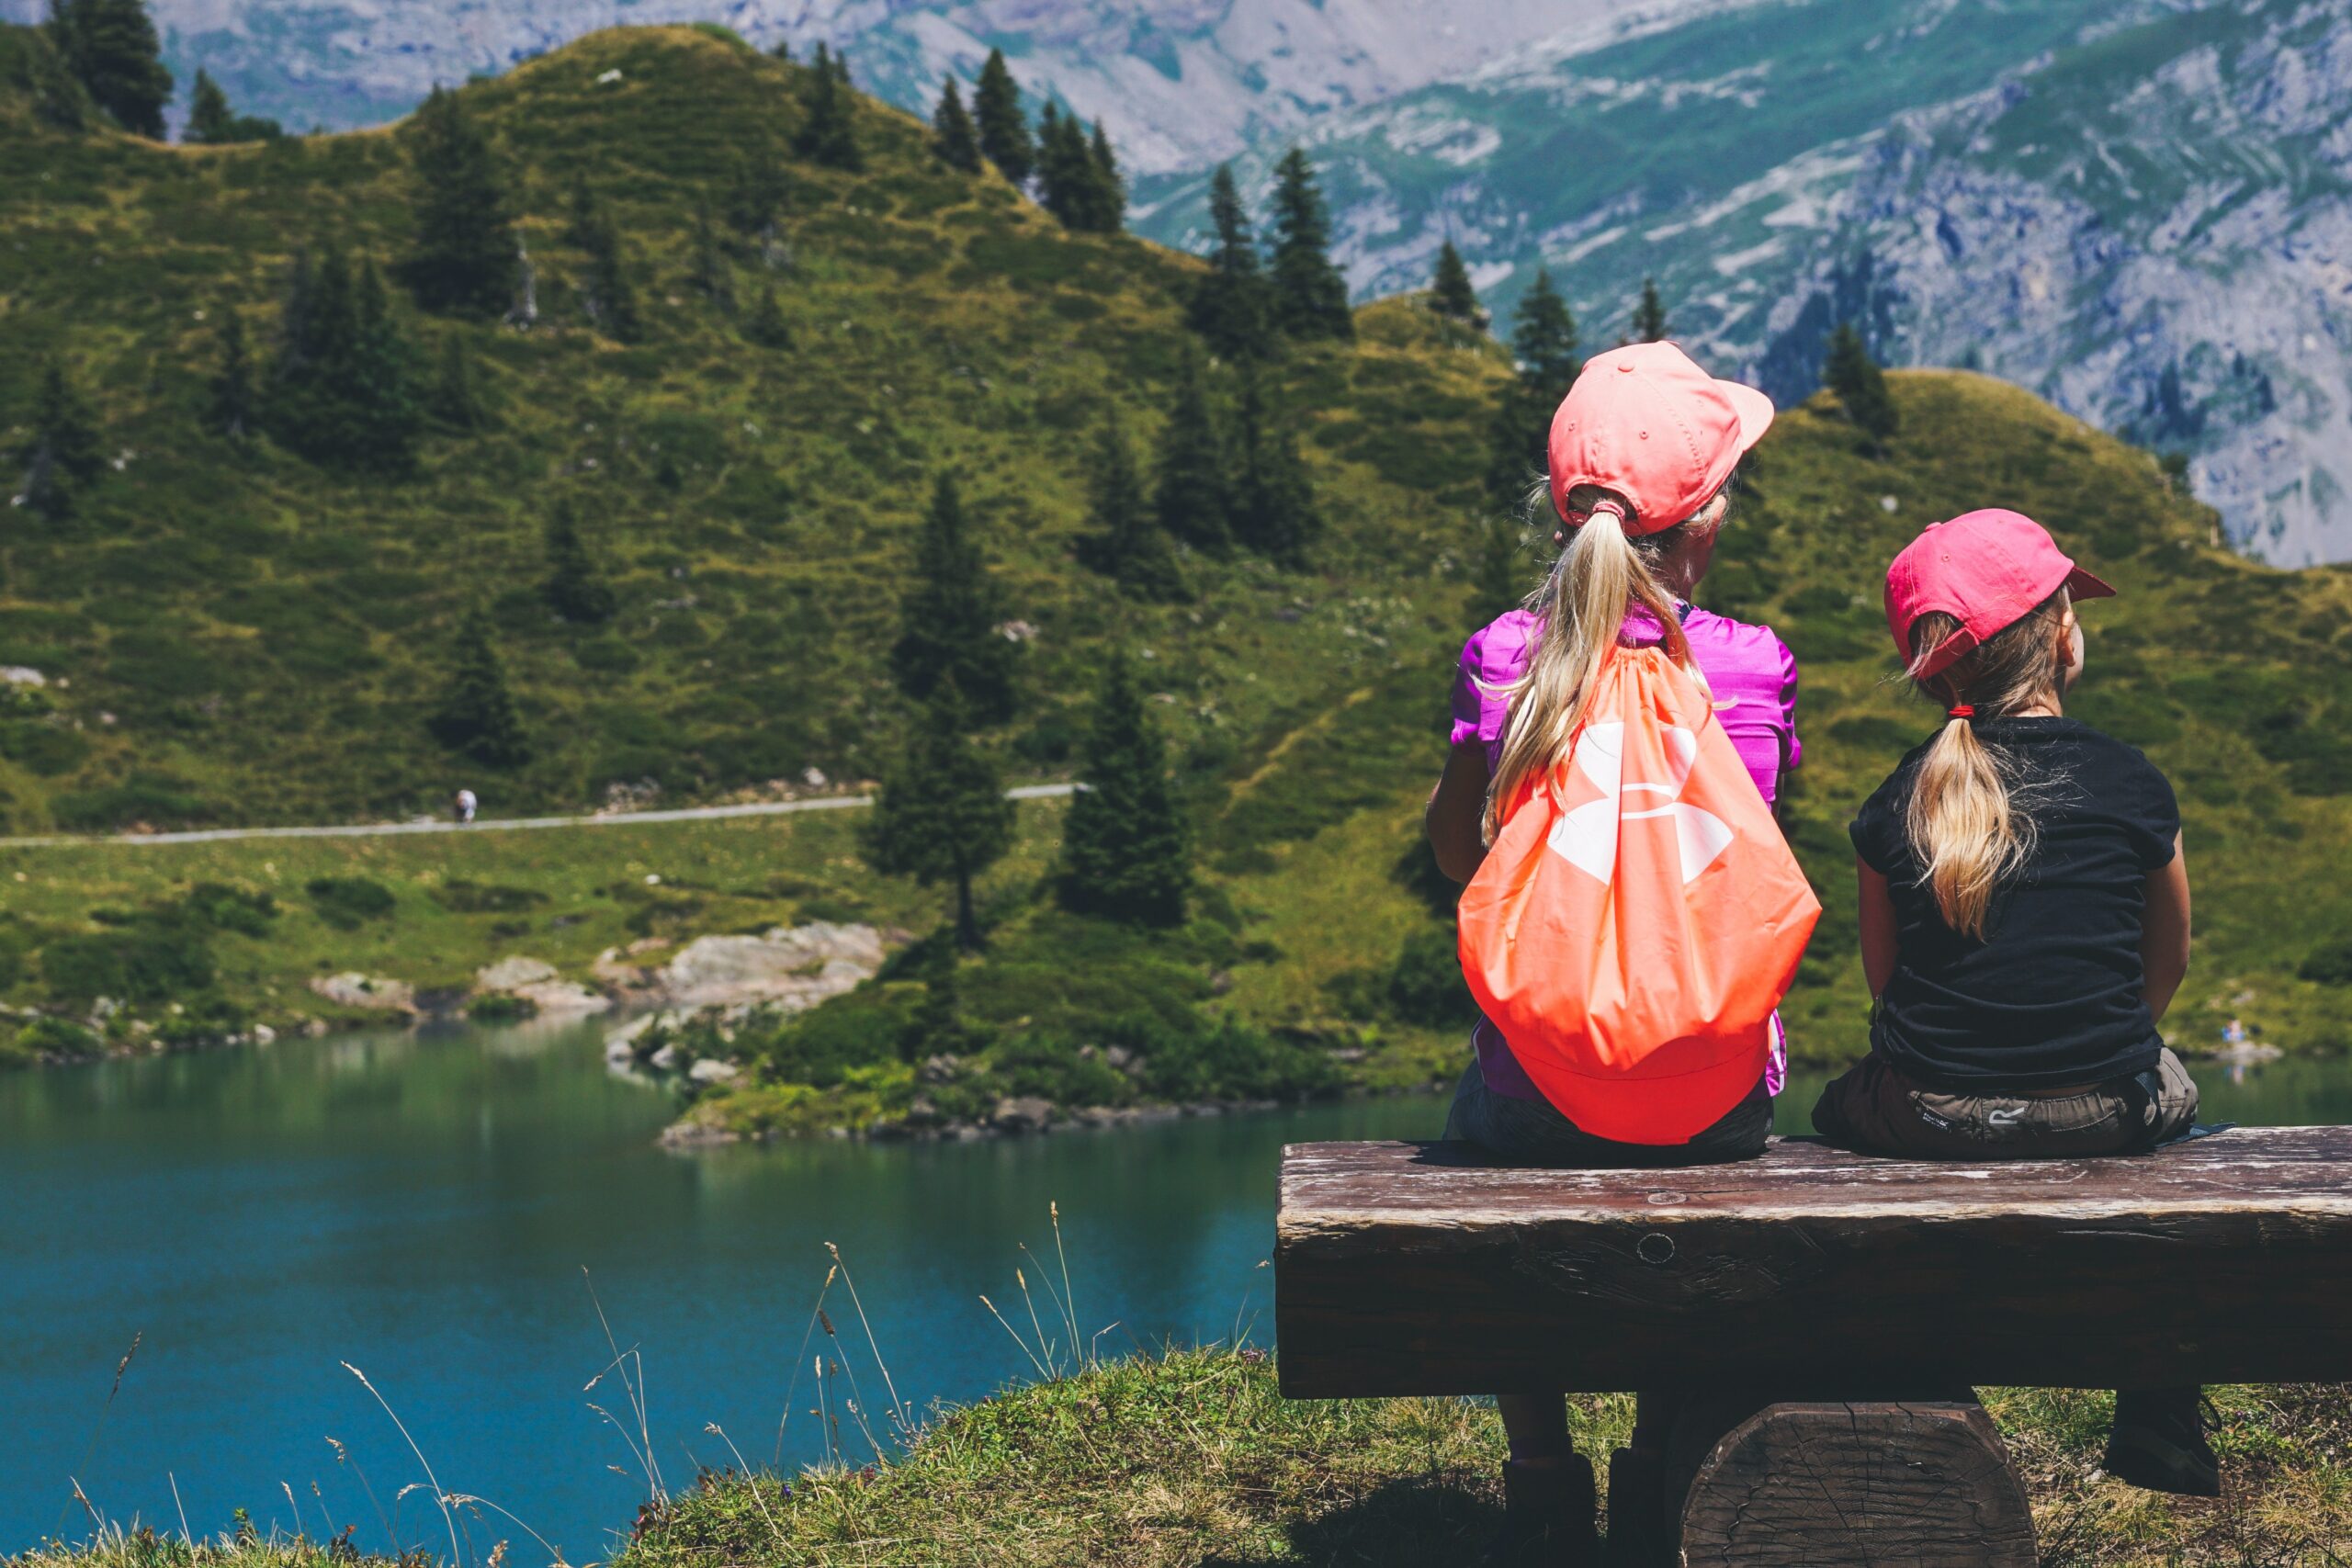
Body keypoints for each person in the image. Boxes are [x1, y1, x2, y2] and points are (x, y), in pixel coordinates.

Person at [1423, 342, 1802, 1563]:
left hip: (1536, 1100)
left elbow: (1453, 856)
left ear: (1559, 504)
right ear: (1707, 519)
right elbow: (1742, 866)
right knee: (1681, 1116)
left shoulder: (1499, 657)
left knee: (1480, 1109)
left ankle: (1540, 1462)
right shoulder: (1750, 666)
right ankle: (1657, 1448)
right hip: (1719, 1103)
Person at [1812, 508, 2211, 1495]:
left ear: (1935, 672)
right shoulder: (2131, 782)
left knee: (1835, 1106)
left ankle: (1919, 1376)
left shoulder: (1896, 796)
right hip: (2103, 1109)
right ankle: (2158, 1402)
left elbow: (1886, 989)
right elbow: (2164, 968)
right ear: (2060, 634)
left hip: (1932, 1114)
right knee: (2172, 1081)